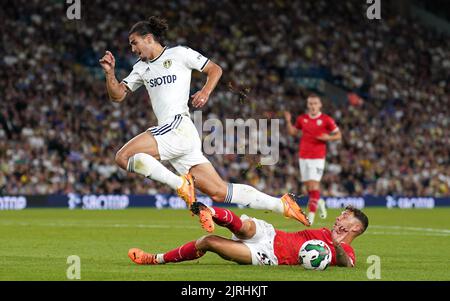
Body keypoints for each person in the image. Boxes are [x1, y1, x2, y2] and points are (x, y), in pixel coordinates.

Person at [98, 16, 310, 232]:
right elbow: (117, 96)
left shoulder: (179, 53)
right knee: (219, 192)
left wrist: (205, 91)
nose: (132, 49)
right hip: (179, 134)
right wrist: (110, 73)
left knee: (122, 157)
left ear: (149, 38)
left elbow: (215, 69)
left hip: (177, 126)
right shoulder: (141, 68)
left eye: (134, 42)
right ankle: (281, 205)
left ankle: (181, 184)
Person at [128, 200, 368, 267]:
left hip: (267, 256)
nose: (339, 217)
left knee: (208, 241)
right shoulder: (324, 231)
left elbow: (348, 265)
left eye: (346, 217)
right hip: (271, 234)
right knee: (246, 226)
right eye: (342, 215)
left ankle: (156, 258)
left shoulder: (345, 250)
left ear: (356, 228)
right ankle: (209, 211)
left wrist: (336, 246)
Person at [284, 95, 342, 225]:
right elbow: (293, 132)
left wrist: (328, 138)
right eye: (310, 104)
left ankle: (310, 218)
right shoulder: (302, 119)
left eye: (315, 103)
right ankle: (319, 201)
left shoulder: (326, 119)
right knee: (308, 187)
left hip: (317, 157)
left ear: (320, 105)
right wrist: (288, 121)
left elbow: (338, 135)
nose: (313, 106)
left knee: (314, 185)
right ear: (307, 105)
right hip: (303, 156)